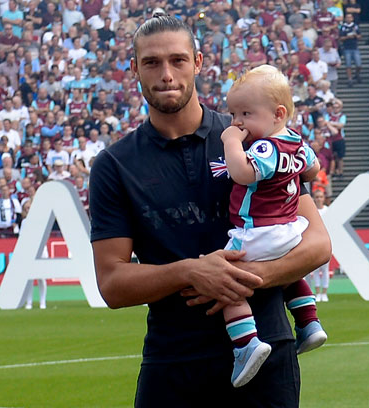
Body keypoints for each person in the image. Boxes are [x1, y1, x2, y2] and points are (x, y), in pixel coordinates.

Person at [89, 16, 330, 407]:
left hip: (268, 352)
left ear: (198, 63)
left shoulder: (254, 137)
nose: (166, 74)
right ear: (133, 69)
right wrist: (190, 271)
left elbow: (318, 244)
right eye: (151, 63)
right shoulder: (114, 165)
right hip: (172, 363)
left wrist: (243, 278)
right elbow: (112, 283)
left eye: (178, 60)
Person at [219, 64, 327, 387]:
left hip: (256, 231)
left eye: (245, 114)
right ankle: (309, 322)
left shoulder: (264, 147)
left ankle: (246, 343)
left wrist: (230, 141)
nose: (237, 123)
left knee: (224, 282)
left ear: (278, 114)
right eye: (233, 115)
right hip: (289, 229)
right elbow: (314, 167)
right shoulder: (295, 142)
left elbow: (241, 172)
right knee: (291, 275)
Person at [308, 189, 330, 302]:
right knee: (316, 269)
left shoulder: (328, 211)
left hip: (326, 241)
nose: (319, 199)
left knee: (325, 269)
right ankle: (317, 292)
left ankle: (324, 293)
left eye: (321, 197)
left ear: (324, 198)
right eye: (317, 197)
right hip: (315, 242)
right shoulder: (312, 210)